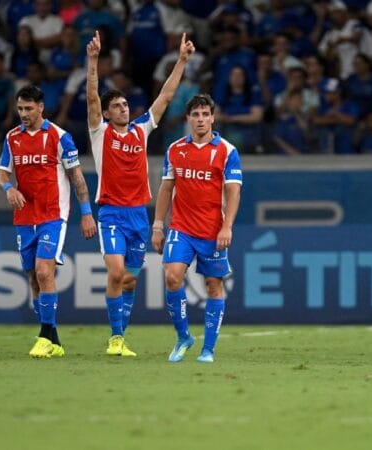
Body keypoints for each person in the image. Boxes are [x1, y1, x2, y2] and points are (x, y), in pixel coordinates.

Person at [85, 30, 194, 357]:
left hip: (138, 215)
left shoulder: (140, 129)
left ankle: (122, 338)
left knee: (129, 281)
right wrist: (92, 61)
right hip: (111, 214)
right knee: (116, 273)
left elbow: (166, 96)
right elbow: (92, 97)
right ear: (106, 113)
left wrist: (182, 61)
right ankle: (115, 339)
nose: (123, 109)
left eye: (124, 104)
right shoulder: (100, 133)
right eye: (116, 106)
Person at [0, 85, 97, 358]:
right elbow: (2, 174)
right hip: (24, 216)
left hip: (53, 214)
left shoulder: (59, 137)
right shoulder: (12, 138)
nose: (24, 114)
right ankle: (54, 339)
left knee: (44, 271)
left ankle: (43, 337)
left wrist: (86, 213)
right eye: (20, 109)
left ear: (41, 107)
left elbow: (77, 178)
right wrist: (10, 189)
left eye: (29, 109)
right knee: (33, 278)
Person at [152, 94, 242, 363]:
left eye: (205, 114)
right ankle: (183, 337)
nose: (201, 119)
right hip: (181, 227)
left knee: (213, 285)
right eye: (195, 115)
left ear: (213, 118)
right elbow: (166, 188)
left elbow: (234, 192)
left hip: (213, 231)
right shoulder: (175, 149)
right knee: (172, 277)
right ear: (188, 119)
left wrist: (227, 227)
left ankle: (208, 349)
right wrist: (158, 225)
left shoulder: (227, 151)